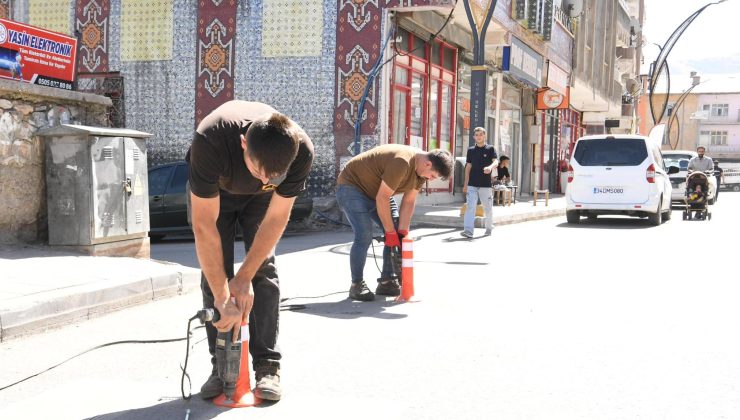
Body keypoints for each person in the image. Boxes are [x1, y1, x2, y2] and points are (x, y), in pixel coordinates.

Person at [187, 100, 314, 401]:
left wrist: (245, 277)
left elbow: (277, 217)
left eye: (275, 176)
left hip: (261, 205)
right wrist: (223, 295)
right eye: (259, 171)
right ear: (243, 144)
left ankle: (267, 366)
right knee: (214, 273)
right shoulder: (210, 141)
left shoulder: (302, 151)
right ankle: (221, 367)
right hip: (217, 194)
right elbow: (204, 227)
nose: (266, 180)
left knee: (263, 270)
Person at [336, 144, 453, 301]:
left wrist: (401, 233)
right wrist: (390, 232)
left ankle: (387, 281)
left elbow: (409, 201)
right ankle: (356, 285)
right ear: (428, 164)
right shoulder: (402, 162)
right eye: (432, 176)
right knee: (364, 235)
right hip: (352, 187)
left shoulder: (420, 171)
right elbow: (382, 198)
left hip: (377, 192)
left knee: (397, 233)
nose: (430, 180)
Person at [462, 127, 498, 238]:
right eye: (476, 135)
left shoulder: (490, 149)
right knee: (470, 207)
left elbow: (496, 161)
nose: (478, 136)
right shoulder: (471, 150)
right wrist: (465, 184)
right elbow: (468, 166)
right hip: (472, 184)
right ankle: (468, 231)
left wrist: (490, 167)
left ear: (484, 136)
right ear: (474, 137)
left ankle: (488, 228)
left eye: (481, 134)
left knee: (488, 208)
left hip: (485, 185)